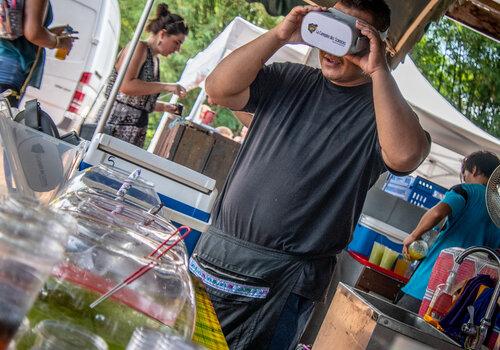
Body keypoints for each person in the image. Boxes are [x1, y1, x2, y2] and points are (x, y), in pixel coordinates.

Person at [190, 1, 431, 349]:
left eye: (350, 36)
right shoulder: (291, 78)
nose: (333, 49)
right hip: (217, 254)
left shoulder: (380, 110)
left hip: (281, 281)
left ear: (373, 43)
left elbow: (406, 155)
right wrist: (281, 34)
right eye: (330, 28)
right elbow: (218, 89)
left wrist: (379, 70)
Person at [398, 151, 500, 314]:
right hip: (461, 301)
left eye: (464, 173)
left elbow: (438, 212)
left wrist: (413, 236)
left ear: (473, 169)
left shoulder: (466, 191)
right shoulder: (498, 208)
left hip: (427, 286)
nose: (464, 177)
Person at [97, 3, 188, 148]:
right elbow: (125, 86)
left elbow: (136, 101)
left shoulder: (155, 59)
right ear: (163, 34)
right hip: (115, 125)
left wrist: (164, 107)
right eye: (176, 42)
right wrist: (166, 86)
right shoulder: (139, 48)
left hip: (134, 130)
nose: (177, 49)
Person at [0, 0, 74, 107]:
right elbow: (34, 34)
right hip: (8, 70)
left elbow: (19, 28)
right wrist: (60, 42)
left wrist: (49, 33)